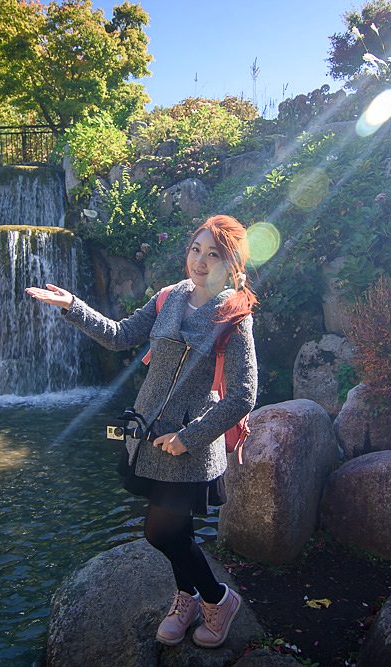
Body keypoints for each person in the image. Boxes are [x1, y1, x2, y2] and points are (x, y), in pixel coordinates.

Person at [26, 214, 258, 648]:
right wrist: (74, 307)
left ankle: (218, 599)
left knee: (161, 531)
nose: (200, 262)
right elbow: (119, 336)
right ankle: (186, 597)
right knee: (178, 529)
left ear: (232, 265)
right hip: (148, 434)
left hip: (188, 444)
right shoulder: (170, 297)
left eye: (214, 255)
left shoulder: (233, 315)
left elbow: (243, 395)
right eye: (196, 250)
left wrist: (188, 437)